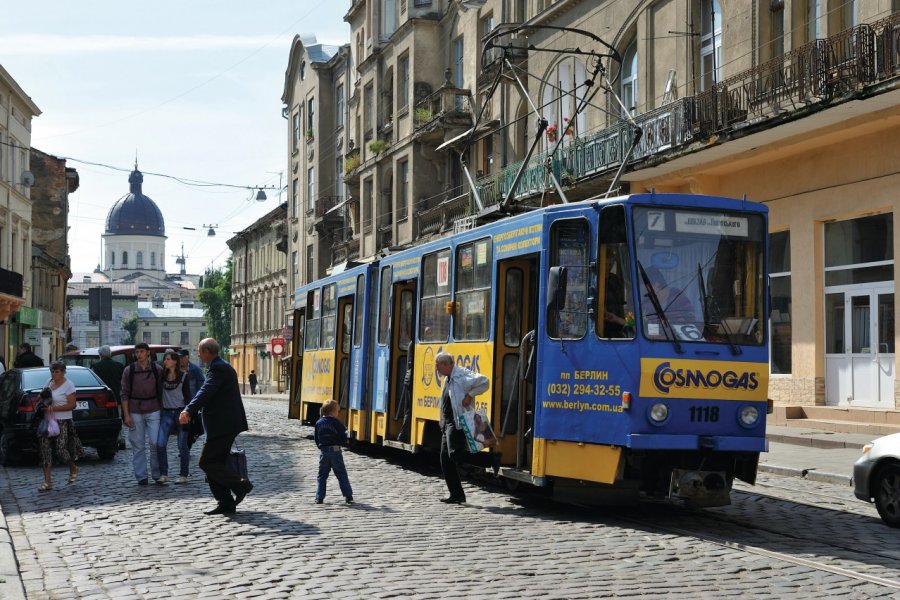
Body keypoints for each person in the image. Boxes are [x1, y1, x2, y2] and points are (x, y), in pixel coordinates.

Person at [179, 338, 252, 516]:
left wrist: (189, 409)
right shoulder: (219, 366)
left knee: (207, 462)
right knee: (214, 463)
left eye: (199, 351)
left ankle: (240, 485)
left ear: (206, 351)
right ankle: (225, 503)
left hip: (223, 425)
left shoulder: (218, 368)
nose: (197, 354)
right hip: (223, 424)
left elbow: (206, 391)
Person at [435, 351, 501, 504]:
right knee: (445, 459)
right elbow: (445, 400)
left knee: (455, 454)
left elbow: (484, 381)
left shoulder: (461, 376)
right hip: (447, 422)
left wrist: (470, 395)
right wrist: (441, 419)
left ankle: (491, 459)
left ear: (445, 364)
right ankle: (457, 495)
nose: (436, 369)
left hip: (457, 422)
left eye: (438, 366)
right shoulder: (447, 378)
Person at [120, 342, 162, 485]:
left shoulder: (157, 369)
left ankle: (157, 474)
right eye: (137, 352)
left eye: (142, 351)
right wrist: (126, 415)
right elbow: (124, 394)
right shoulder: (129, 370)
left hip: (154, 408)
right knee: (138, 445)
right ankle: (141, 476)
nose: (139, 355)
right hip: (135, 409)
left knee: (155, 442)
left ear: (148, 352)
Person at [37, 361, 82, 491]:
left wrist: (54, 408)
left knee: (61, 450)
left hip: (63, 421)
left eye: (57, 371)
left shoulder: (69, 385)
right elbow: (41, 397)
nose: (54, 374)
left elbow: (72, 405)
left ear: (63, 372)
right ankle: (47, 482)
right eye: (52, 371)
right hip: (48, 421)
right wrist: (40, 401)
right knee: (45, 449)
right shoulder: (48, 382)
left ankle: (73, 467)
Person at [156, 350, 191, 484]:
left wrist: (188, 414)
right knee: (160, 443)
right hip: (166, 413)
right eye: (165, 359)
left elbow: (188, 397)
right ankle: (164, 474)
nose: (166, 362)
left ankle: (184, 474)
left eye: (169, 359)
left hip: (181, 412)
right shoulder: (162, 377)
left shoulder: (183, 376)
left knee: (182, 446)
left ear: (175, 361)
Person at [314, 399, 353, 505]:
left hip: (324, 452)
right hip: (336, 451)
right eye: (337, 411)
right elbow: (343, 436)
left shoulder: (319, 422)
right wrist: (343, 440)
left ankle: (319, 497)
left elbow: (316, 438)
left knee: (322, 476)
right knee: (341, 474)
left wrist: (321, 447)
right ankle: (348, 495)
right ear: (332, 411)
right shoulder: (336, 422)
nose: (338, 413)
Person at [93, 345, 127, 450]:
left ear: (100, 355)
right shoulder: (119, 365)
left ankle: (108, 438)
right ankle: (121, 438)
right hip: (117, 396)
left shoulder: (96, 366)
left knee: (106, 419)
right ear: (110, 354)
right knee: (118, 418)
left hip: (103, 398)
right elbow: (123, 382)